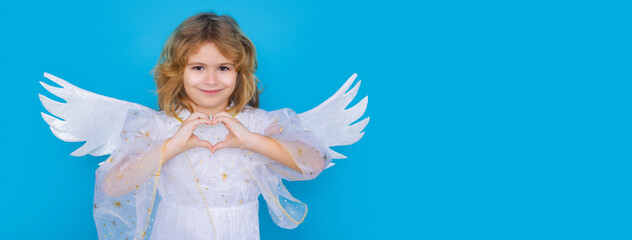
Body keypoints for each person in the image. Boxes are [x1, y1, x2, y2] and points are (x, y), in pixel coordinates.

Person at [39, 11, 368, 240]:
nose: (211, 79)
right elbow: (112, 187)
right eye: (198, 67)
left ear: (240, 73)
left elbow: (315, 162)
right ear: (178, 72)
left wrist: (250, 141)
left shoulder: (261, 125)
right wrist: (173, 146)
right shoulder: (157, 126)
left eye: (224, 68)